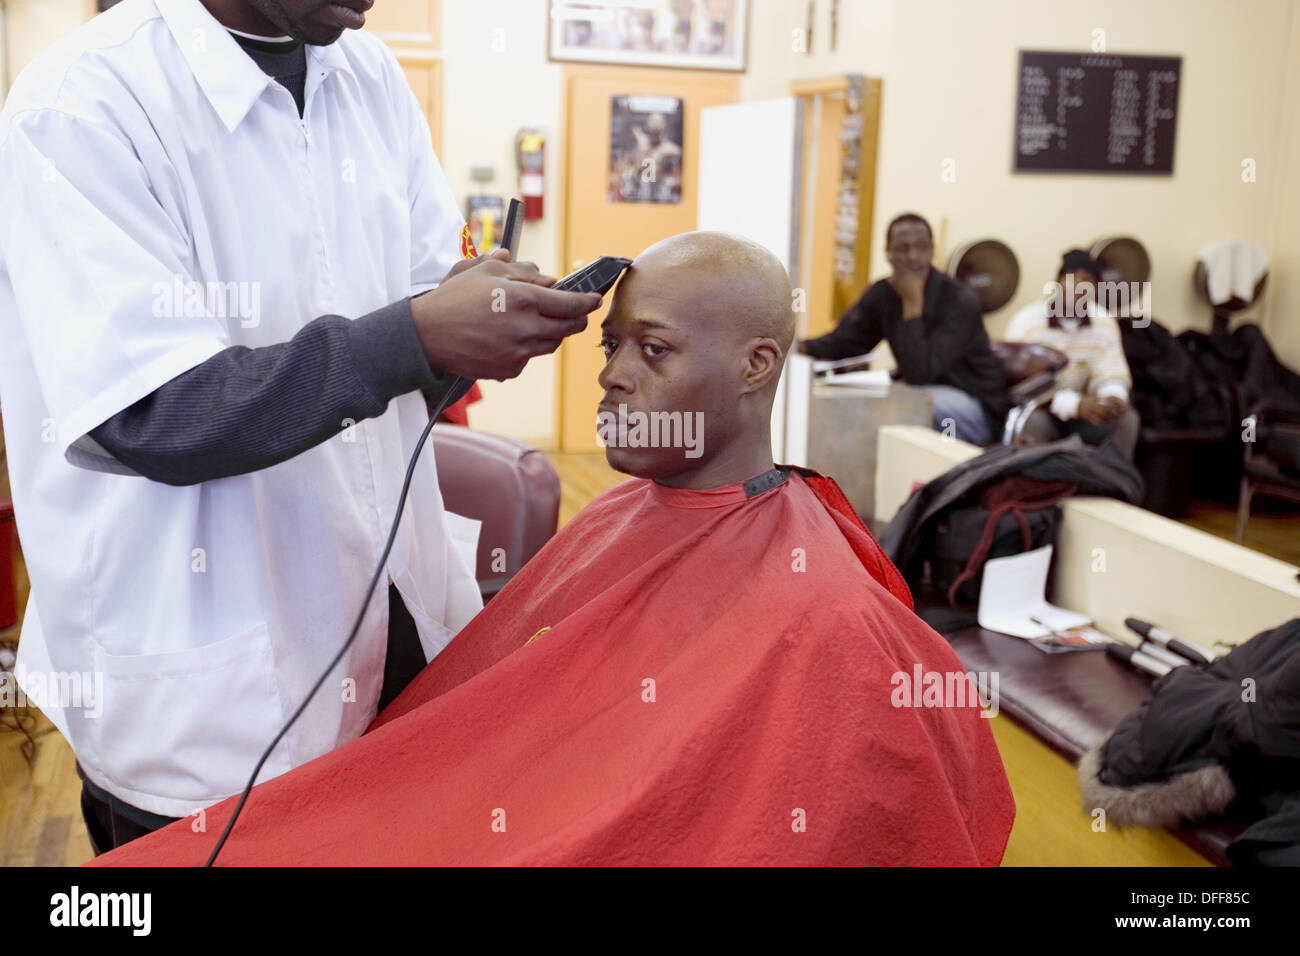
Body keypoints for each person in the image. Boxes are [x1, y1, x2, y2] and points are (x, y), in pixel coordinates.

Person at [94, 232, 1015, 866]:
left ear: (755, 366)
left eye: (653, 350)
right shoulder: (623, 516)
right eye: (610, 345)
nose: (613, 374)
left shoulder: (827, 623)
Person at [0, 0, 603, 853]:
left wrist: (478, 313)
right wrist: (422, 332)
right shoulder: (80, 104)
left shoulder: (369, 74)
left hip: (395, 621)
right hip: (209, 689)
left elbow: (422, 297)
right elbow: (155, 413)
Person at [800, 213, 1009, 444]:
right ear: (887, 253)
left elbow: (920, 373)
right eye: (902, 248)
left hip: (976, 407)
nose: (913, 257)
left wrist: (912, 305)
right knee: (854, 399)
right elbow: (844, 344)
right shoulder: (882, 294)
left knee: (904, 402)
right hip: (922, 395)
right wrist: (796, 346)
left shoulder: (960, 300)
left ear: (932, 251)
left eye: (921, 247)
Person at [1005, 250, 1140, 460]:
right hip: (1041, 409)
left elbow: (1111, 374)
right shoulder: (1027, 323)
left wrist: (1112, 398)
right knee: (1032, 422)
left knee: (1127, 419)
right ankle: (1032, 489)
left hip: (1085, 412)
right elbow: (1021, 390)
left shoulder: (1103, 323)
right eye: (1071, 278)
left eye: (1086, 280)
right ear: (1057, 282)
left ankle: (1111, 486)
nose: (1078, 287)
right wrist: (1074, 406)